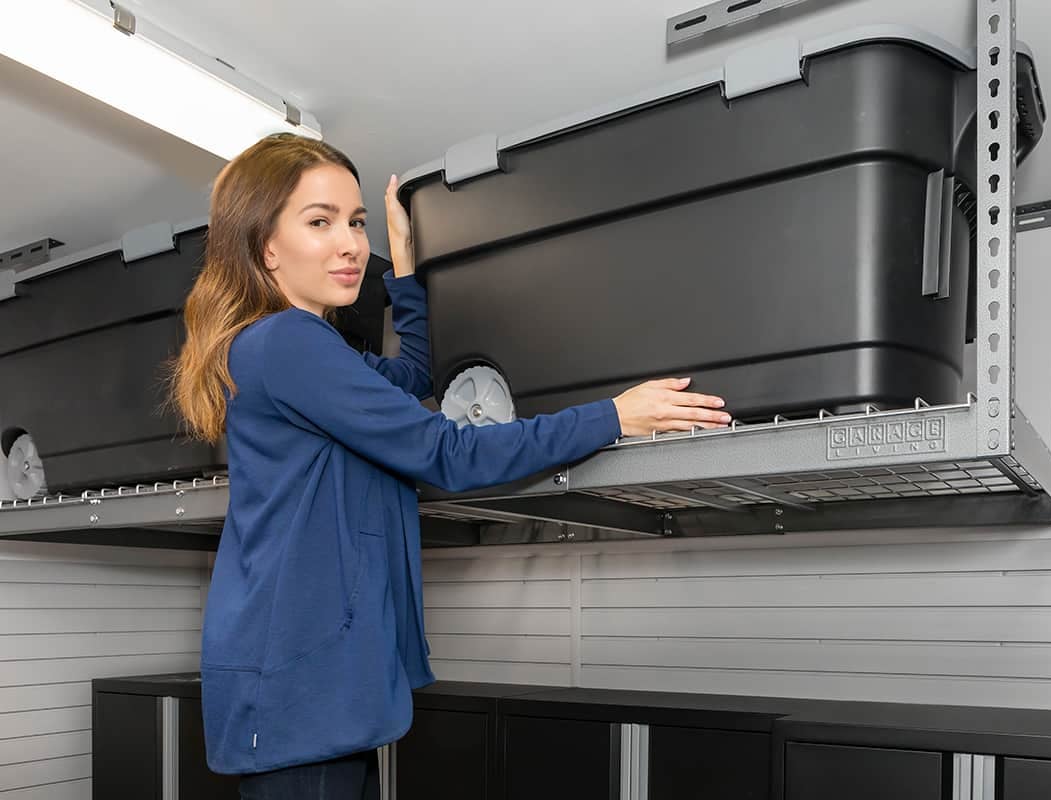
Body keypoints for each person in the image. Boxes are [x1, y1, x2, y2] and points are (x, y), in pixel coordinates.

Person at [168, 132, 730, 799]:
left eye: (355, 221)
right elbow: (449, 453)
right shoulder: (286, 344)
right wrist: (613, 415)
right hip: (301, 687)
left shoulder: (303, 348)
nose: (350, 244)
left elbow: (408, 376)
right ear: (265, 245)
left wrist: (403, 262)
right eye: (319, 222)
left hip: (307, 684)